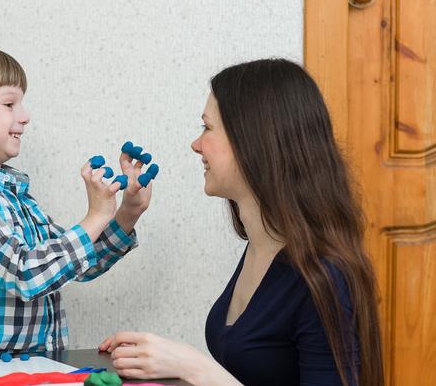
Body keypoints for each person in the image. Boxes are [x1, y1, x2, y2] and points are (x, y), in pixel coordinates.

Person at [100, 59, 383, 386]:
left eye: (207, 127)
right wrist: (164, 359)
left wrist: (192, 366)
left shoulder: (324, 277)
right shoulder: (262, 246)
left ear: (253, 140)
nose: (196, 144)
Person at [0, 44, 152, 357]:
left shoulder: (17, 198)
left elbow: (77, 265)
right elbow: (25, 275)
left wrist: (126, 213)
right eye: (10, 103)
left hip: (26, 367)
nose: (25, 117)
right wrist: (94, 216)